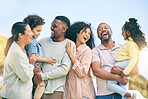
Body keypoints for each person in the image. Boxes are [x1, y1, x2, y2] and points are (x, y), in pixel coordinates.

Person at [33, 15, 75, 99]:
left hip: (55, 90)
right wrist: (35, 70)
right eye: (51, 25)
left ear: (64, 29)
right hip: (37, 88)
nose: (51, 28)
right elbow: (34, 59)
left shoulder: (69, 44)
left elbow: (64, 69)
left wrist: (42, 76)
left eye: (54, 26)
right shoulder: (42, 41)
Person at [107, 18, 147, 99]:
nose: (122, 34)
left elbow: (134, 59)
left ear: (128, 32)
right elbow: (136, 59)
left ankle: (126, 94)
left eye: (123, 32)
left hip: (123, 64)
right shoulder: (133, 44)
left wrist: (125, 72)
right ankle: (125, 95)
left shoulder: (130, 44)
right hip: (126, 65)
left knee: (110, 84)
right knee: (123, 85)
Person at [91, 23, 128, 99]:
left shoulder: (122, 48)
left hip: (121, 94)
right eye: (100, 29)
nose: (103, 29)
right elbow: (96, 71)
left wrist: (122, 73)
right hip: (103, 94)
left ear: (111, 32)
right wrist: (117, 78)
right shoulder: (95, 51)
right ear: (98, 35)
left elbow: (134, 69)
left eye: (106, 28)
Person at [23, 14, 56, 99]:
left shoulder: (32, 41)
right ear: (29, 29)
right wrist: (46, 60)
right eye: (37, 31)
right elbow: (32, 57)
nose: (39, 33)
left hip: (34, 67)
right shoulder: (32, 42)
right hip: (35, 66)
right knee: (41, 85)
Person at [0, 22, 36, 99]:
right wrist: (31, 64)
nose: (32, 34)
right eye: (29, 31)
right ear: (21, 35)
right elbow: (26, 78)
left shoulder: (20, 49)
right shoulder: (17, 53)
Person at [65, 21, 96, 99]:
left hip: (84, 95)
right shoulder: (69, 47)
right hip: (70, 94)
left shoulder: (87, 50)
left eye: (89, 34)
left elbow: (82, 72)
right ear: (77, 32)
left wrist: (72, 56)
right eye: (84, 32)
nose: (87, 35)